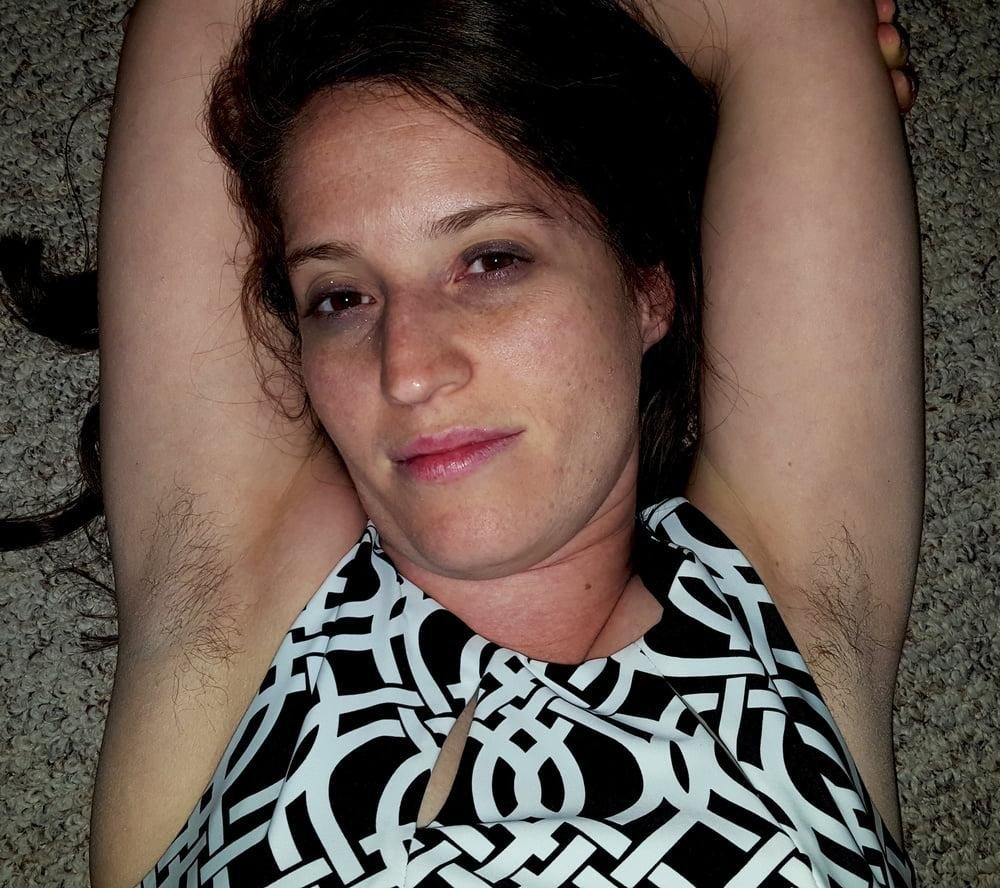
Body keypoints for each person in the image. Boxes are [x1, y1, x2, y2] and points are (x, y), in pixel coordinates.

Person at [1, 0, 921, 885]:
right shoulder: (227, 625)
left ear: (646, 290)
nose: (406, 368)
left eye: (491, 260)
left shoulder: (789, 622)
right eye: (341, 298)